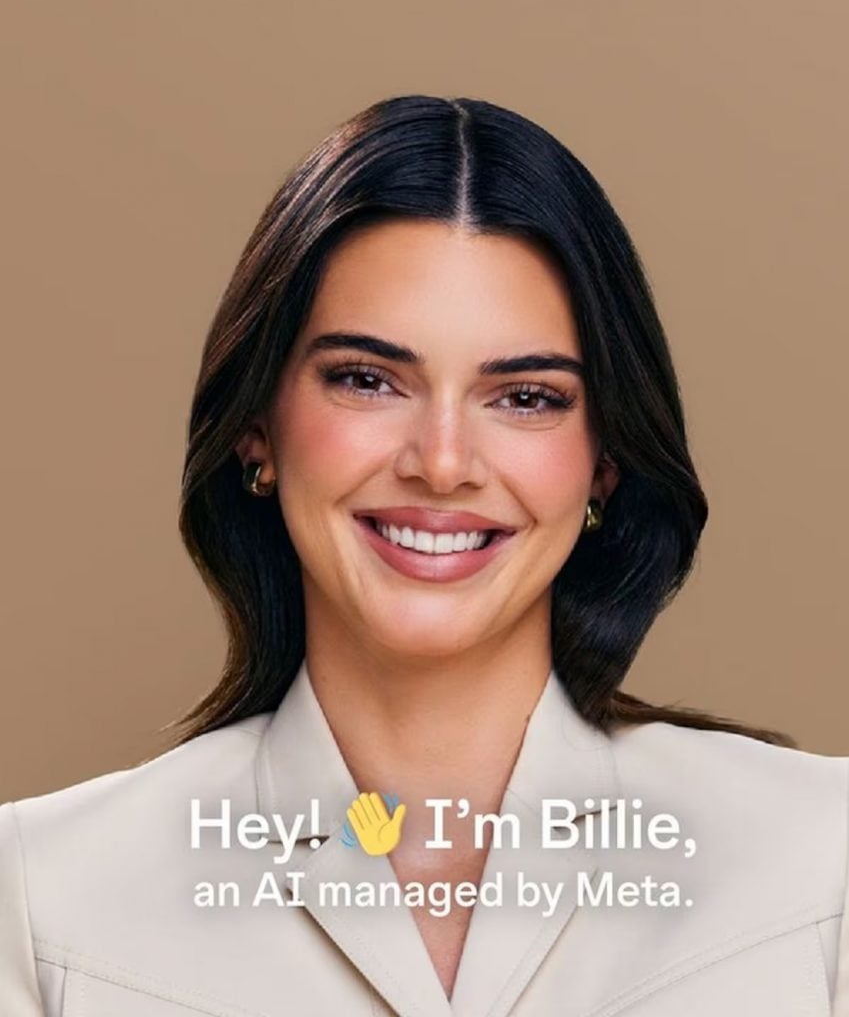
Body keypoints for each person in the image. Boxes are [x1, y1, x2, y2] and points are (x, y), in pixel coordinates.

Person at [1, 94, 847, 1017]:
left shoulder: (821, 860)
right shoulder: (40, 901)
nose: (441, 464)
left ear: (604, 462)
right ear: (258, 429)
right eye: (367, 380)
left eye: (524, 396)